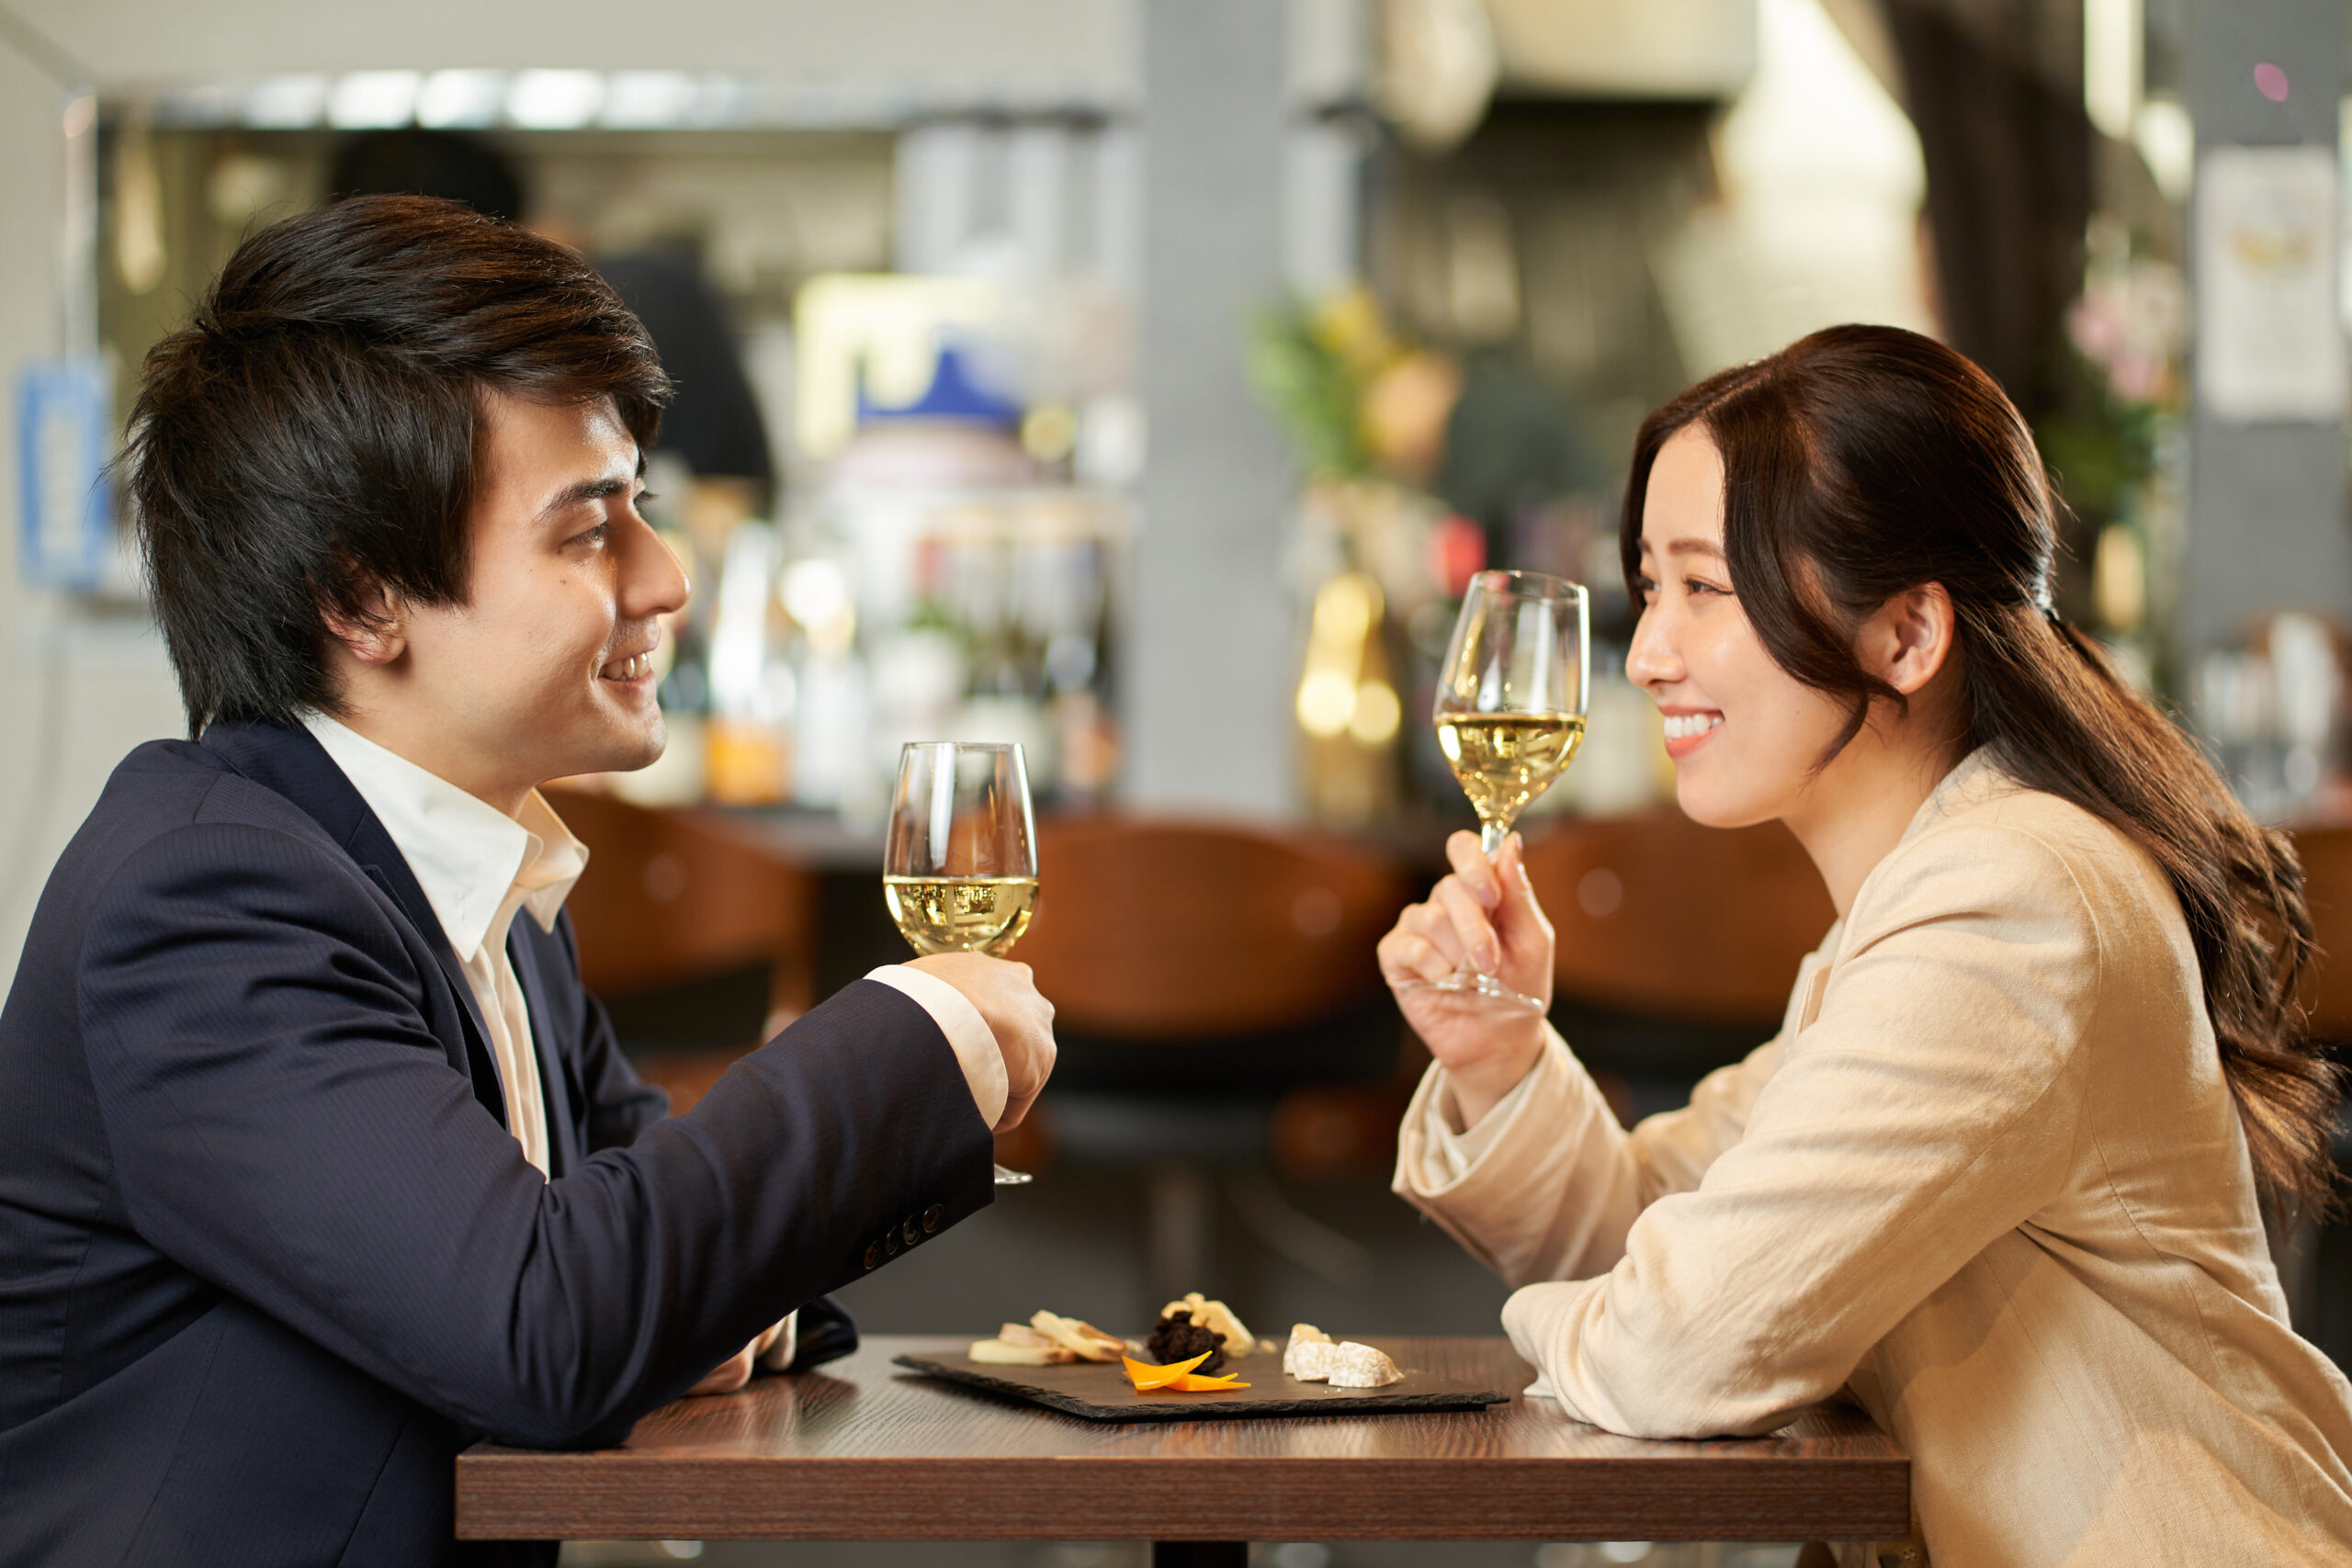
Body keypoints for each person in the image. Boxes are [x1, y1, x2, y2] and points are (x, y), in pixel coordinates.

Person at [0, 195, 1055, 1567]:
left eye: (643, 514)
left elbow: (643, 1248)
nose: (664, 580)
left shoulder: (470, 881)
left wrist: (671, 1304)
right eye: (587, 531)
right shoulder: (208, 900)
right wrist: (925, 1028)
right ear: (363, 597)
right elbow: (550, 1324)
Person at [1379, 325, 2352, 1565]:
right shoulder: (1931, 898)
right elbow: (1663, 1234)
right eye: (1650, 584)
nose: (1647, 654)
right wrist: (1503, 1056)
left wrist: (1549, 1330)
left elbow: (1683, 1345)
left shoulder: (2015, 913)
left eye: (1704, 588)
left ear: (1907, 634)